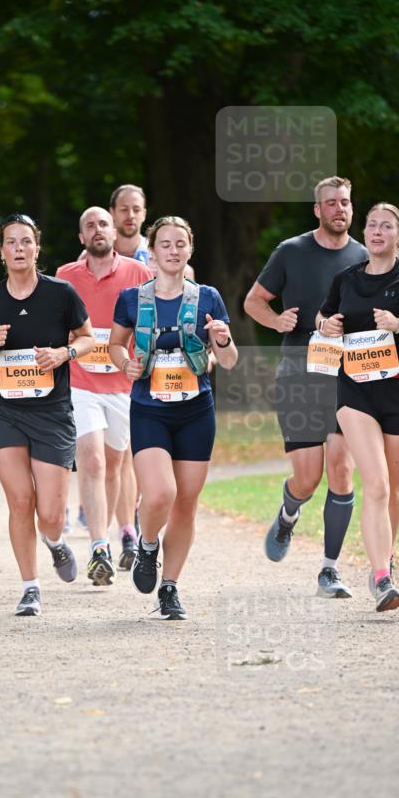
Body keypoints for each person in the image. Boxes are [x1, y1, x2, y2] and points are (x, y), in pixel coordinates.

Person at [0, 213, 95, 616]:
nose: (18, 249)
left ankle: (55, 541)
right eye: (11, 242)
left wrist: (63, 353)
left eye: (26, 242)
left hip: (52, 412)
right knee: (21, 500)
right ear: (1, 252)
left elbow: (88, 339)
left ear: (37, 248)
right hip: (3, 411)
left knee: (50, 515)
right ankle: (30, 588)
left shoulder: (61, 293)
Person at [243, 176, 368, 597]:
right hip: (299, 373)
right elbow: (253, 301)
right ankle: (288, 513)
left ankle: (330, 569)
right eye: (330, 203)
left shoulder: (364, 257)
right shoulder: (291, 251)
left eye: (345, 202)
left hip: (346, 376)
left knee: (341, 468)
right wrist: (277, 320)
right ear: (317, 210)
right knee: (308, 478)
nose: (339, 209)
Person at [109, 216, 238, 620]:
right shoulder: (132, 299)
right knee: (160, 493)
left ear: (190, 249)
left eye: (180, 243)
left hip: (196, 409)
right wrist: (126, 364)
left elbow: (228, 360)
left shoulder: (208, 298)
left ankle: (169, 588)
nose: (173, 250)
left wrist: (222, 340)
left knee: (186, 502)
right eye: (164, 244)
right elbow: (115, 345)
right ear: (152, 251)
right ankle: (148, 545)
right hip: (149, 408)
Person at [317, 203, 399, 612]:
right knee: (376, 484)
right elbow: (322, 319)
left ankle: (384, 559)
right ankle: (382, 578)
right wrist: (325, 325)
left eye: (386, 226)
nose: (376, 231)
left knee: (394, 491)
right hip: (355, 391)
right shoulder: (347, 278)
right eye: (371, 224)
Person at [56, 207, 152, 584]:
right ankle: (99, 548)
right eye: (90, 226)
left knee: (115, 464)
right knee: (92, 461)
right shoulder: (65, 276)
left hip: (124, 384)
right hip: (81, 383)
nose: (97, 230)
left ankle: (119, 532)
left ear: (114, 232)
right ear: (82, 237)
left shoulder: (138, 273)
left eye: (103, 224)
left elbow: (152, 321)